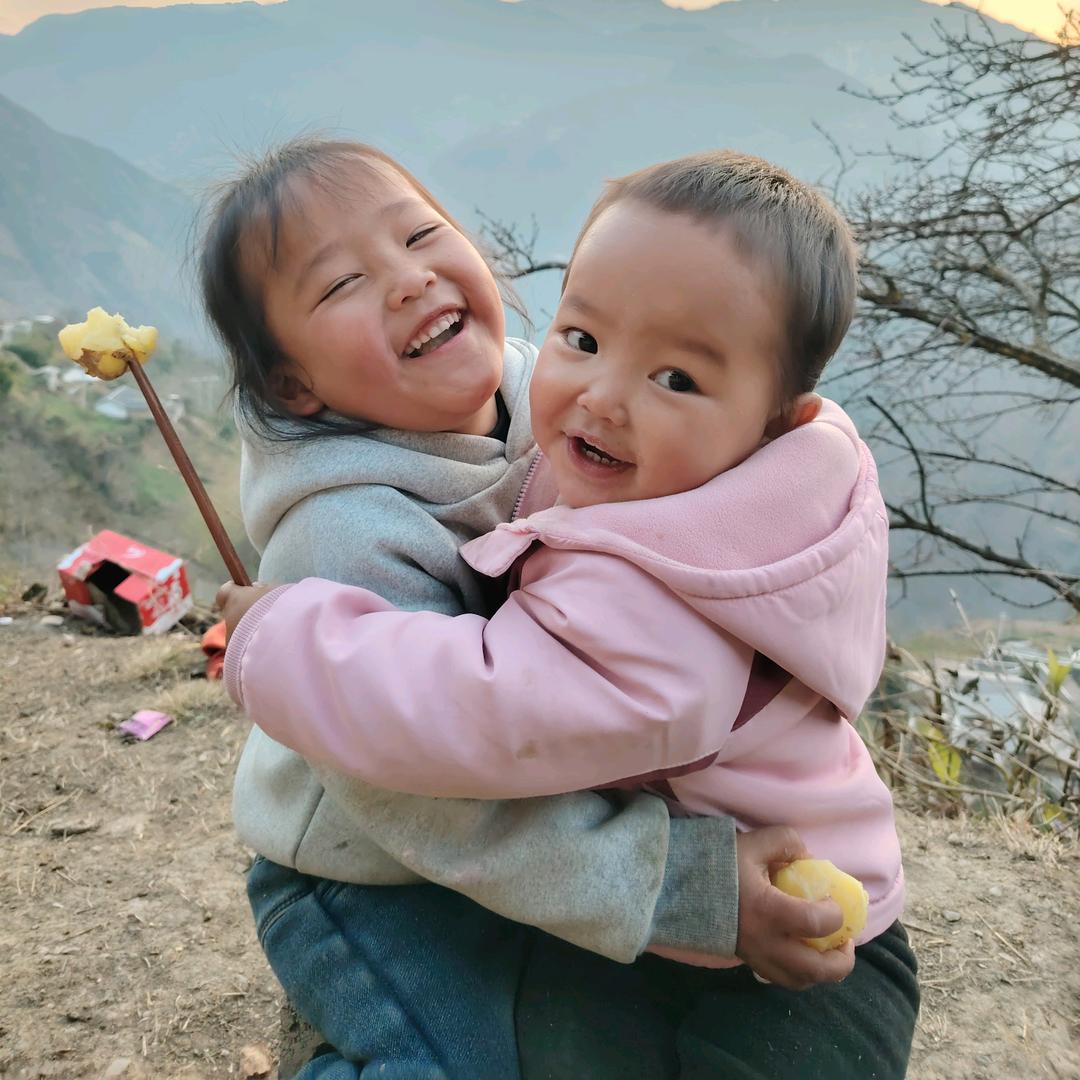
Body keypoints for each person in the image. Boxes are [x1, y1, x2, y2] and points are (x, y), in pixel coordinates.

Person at [219, 149, 921, 1079]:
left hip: (525, 831)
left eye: (421, 233)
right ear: (293, 387)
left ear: (774, 426)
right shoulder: (344, 541)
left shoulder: (545, 410)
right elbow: (436, 774)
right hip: (372, 865)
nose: (408, 278)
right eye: (345, 281)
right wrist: (280, 641)